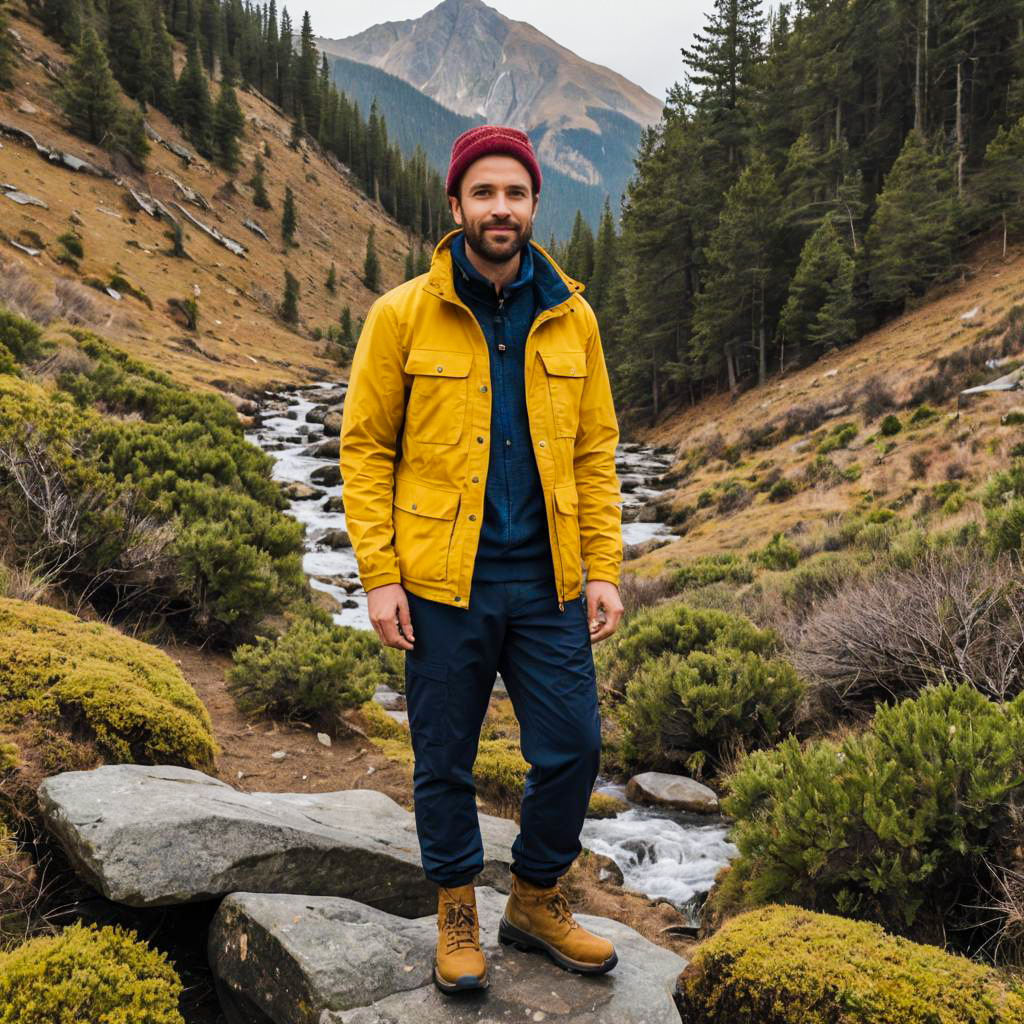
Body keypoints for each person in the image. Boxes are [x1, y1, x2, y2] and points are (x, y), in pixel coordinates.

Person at [339, 124, 624, 995]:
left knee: (573, 746)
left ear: (536, 206)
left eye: (516, 194)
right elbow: (364, 449)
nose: (501, 209)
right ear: (456, 205)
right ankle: (457, 908)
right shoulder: (400, 315)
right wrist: (380, 575)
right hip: (438, 582)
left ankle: (536, 898)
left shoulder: (574, 317)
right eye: (485, 193)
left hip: (548, 581)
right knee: (445, 757)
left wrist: (606, 567)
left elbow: (596, 451)